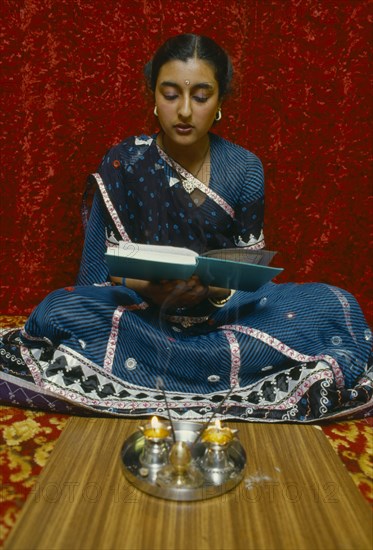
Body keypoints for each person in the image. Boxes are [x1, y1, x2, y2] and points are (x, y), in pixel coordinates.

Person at [1, 34, 371, 421]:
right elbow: (100, 275)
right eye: (171, 93)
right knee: (60, 309)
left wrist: (211, 290)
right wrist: (151, 289)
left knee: (331, 302)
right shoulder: (124, 162)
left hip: (224, 312)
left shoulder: (244, 168)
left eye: (200, 95)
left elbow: (249, 274)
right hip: (140, 312)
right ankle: (206, 369)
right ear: (154, 98)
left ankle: (177, 365)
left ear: (219, 102)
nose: (184, 110)